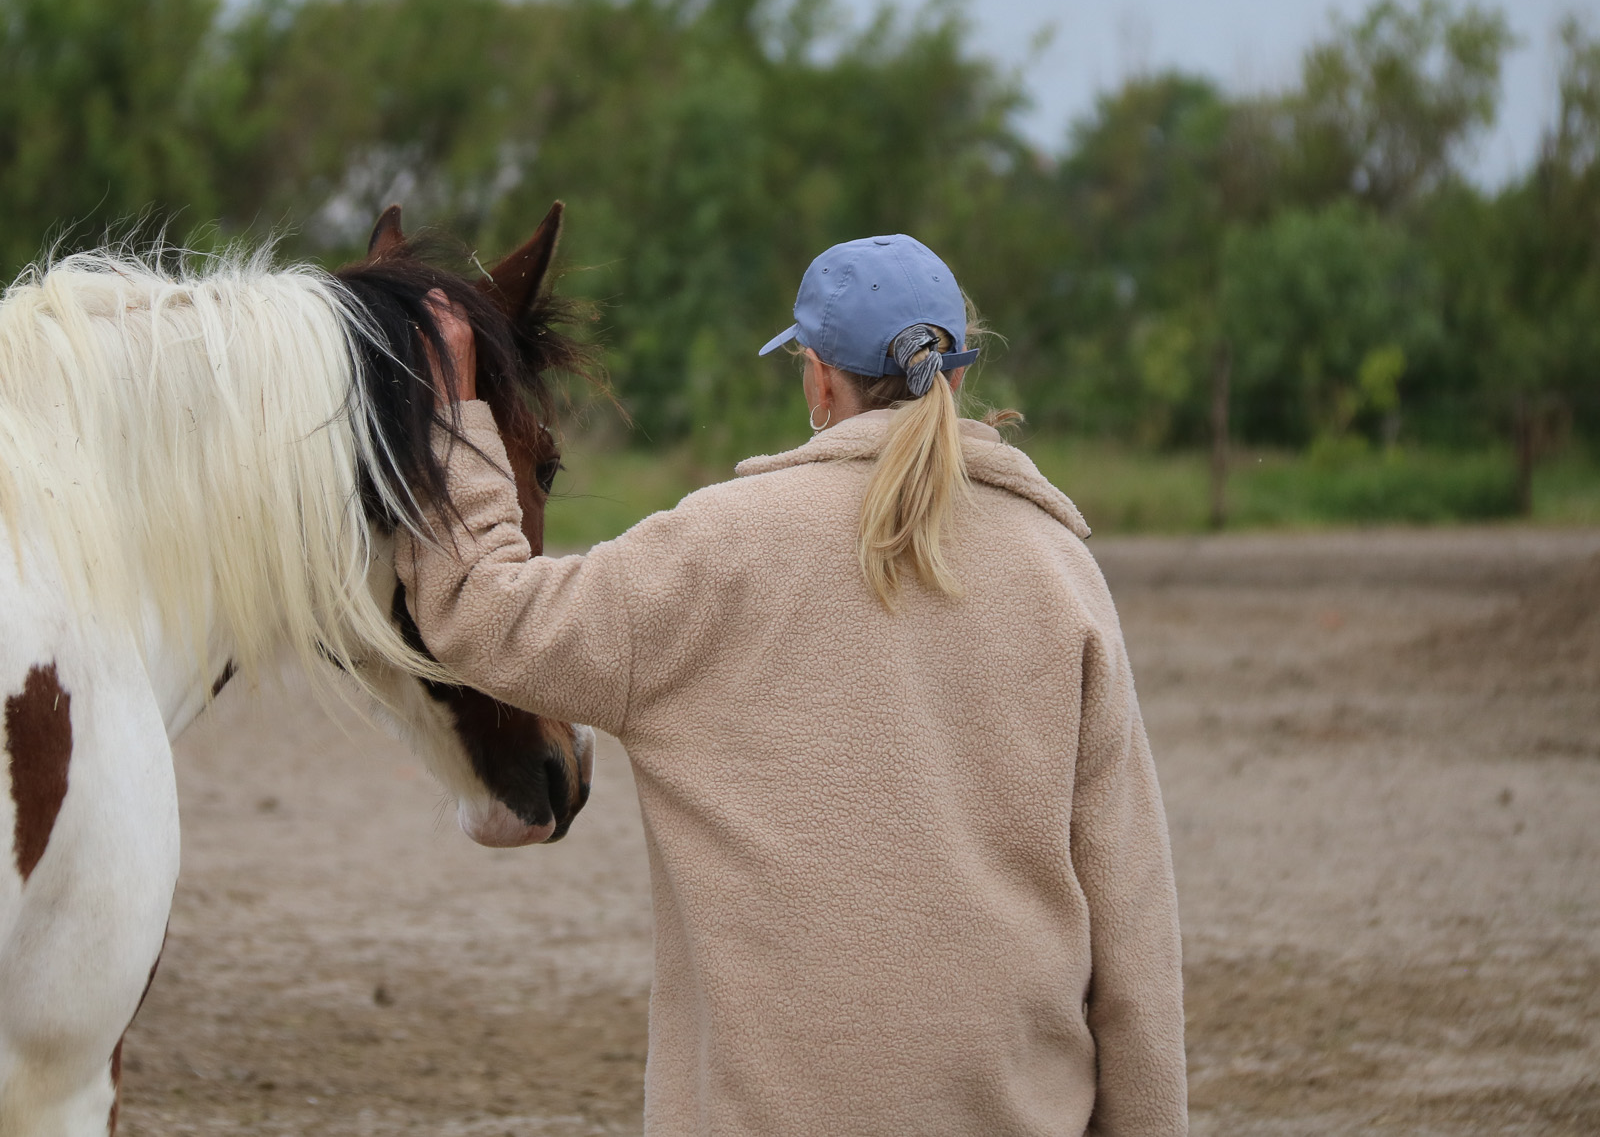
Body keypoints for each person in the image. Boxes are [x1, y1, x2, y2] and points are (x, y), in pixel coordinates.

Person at [401, 235, 1186, 1136]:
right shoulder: (1061, 573)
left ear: (816, 380)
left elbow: (480, 611)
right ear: (959, 375)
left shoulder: (712, 554)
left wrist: (455, 410)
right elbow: (1133, 933)